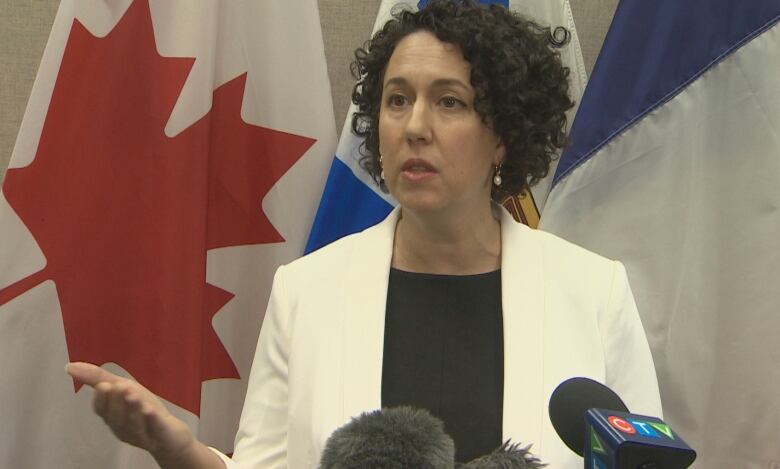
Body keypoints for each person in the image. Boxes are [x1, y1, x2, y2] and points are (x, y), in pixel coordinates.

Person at [67, 1, 662, 467]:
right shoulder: (307, 290)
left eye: (448, 102)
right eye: (396, 100)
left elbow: (645, 463)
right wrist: (186, 457)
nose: (414, 127)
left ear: (504, 133)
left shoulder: (593, 291)